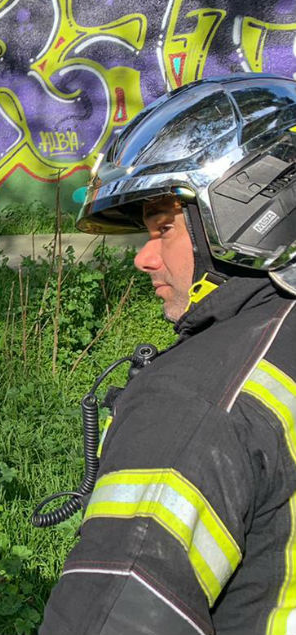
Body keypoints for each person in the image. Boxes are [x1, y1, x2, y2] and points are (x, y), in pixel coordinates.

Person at [40, 73, 296, 634]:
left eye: (164, 229)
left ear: (242, 217)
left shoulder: (192, 404)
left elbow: (113, 617)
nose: (144, 258)